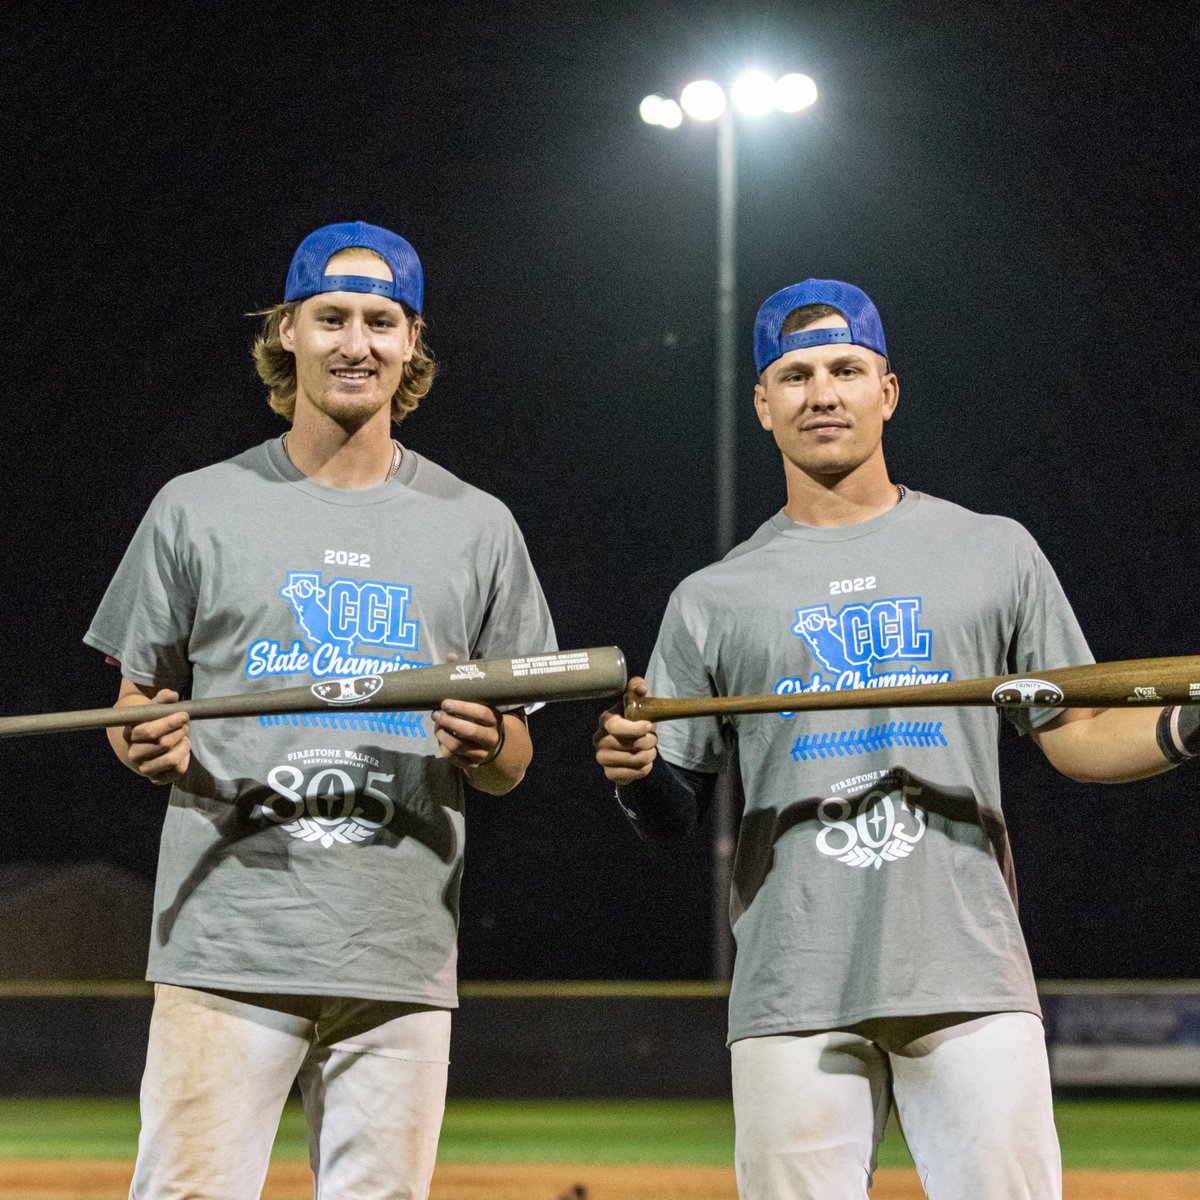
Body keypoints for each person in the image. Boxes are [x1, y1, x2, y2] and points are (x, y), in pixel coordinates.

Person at [594, 278, 1199, 1200]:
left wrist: (1187, 725)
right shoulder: (712, 597)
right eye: (794, 376)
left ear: (888, 390)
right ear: (762, 405)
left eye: (846, 368)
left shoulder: (993, 550)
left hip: (968, 972)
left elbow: (1076, 736)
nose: (822, 393)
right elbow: (672, 811)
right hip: (792, 987)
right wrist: (637, 776)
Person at [86, 221, 556, 1200]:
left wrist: (491, 742)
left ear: (411, 342)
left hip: (398, 955)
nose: (356, 342)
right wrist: (146, 740)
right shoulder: (196, 507)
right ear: (287, 333)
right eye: (331, 317)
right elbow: (135, 707)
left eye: (380, 321)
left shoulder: (479, 525)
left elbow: (514, 759)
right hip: (228, 946)